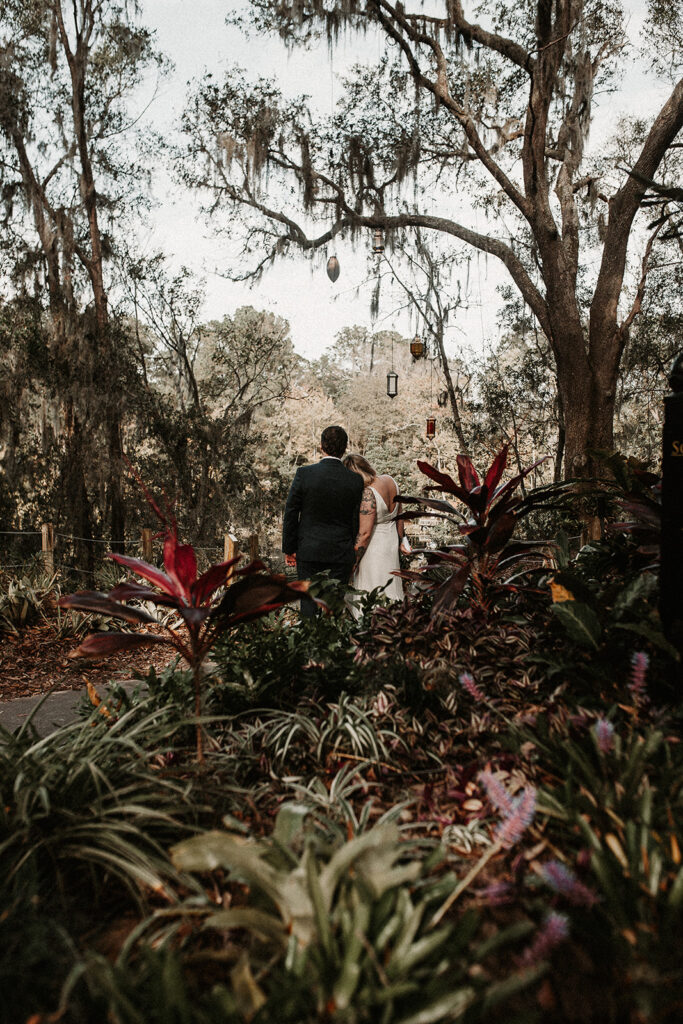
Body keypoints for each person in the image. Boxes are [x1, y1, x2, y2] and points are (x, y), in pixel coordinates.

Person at [282, 425, 364, 618]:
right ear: (345, 448)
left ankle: (309, 645)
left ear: (321, 446)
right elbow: (355, 519)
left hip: (309, 550)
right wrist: (351, 549)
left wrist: (289, 548)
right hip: (340, 551)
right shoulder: (355, 480)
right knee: (334, 608)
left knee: (308, 605)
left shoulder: (305, 474)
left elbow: (291, 512)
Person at [342, 454, 410, 615]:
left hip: (373, 548)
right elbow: (400, 517)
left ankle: (371, 627)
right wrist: (401, 540)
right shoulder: (390, 480)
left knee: (371, 588)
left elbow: (365, 533)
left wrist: (353, 561)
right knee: (391, 583)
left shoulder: (367, 493)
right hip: (390, 543)